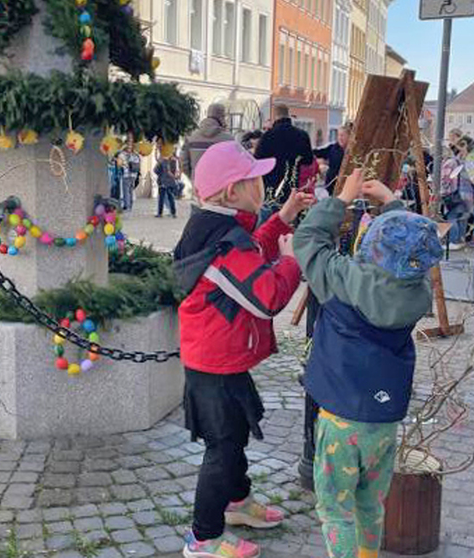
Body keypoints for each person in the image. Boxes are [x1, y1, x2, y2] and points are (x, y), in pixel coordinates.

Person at [174, 141, 314, 558]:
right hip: (214, 361)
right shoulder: (222, 241)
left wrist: (283, 217)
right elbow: (266, 294)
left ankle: (237, 504)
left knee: (234, 435)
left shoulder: (221, 226)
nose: (263, 181)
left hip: (219, 356)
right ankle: (202, 538)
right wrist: (291, 261)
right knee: (224, 445)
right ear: (232, 191)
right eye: (254, 177)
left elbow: (251, 250)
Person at [293, 169, 443, 558]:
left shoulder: (343, 279)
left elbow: (308, 240)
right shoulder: (418, 293)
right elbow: (411, 257)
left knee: (335, 510)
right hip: (384, 423)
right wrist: (393, 204)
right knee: (369, 505)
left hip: (340, 419)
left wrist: (340, 199)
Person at [254, 104, 314, 206]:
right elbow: (308, 160)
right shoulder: (302, 135)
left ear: (275, 116)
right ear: (288, 115)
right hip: (292, 184)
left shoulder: (268, 136)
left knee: (271, 216)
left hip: (271, 186)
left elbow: (258, 160)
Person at [180, 103, 235, 185]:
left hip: (199, 186)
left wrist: (194, 178)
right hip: (221, 186)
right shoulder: (228, 139)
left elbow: (183, 163)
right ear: (222, 117)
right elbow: (234, 164)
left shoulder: (191, 137)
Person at [314, 124, 352, 195]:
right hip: (331, 185)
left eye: (342, 135)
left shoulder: (353, 150)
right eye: (338, 135)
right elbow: (317, 152)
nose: (340, 138)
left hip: (346, 185)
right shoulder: (333, 148)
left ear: (349, 136)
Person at [154, 150, 180, 218]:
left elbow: (155, 170)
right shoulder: (174, 161)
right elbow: (174, 172)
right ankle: (173, 213)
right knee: (171, 198)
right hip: (170, 182)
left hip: (162, 182)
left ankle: (160, 213)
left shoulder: (163, 161)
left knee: (161, 198)